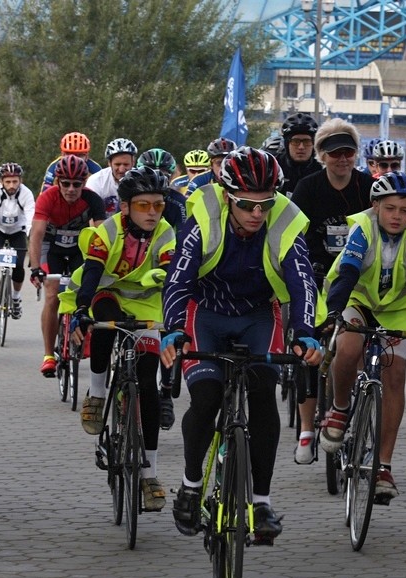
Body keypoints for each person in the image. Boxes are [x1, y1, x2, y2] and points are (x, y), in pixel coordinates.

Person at [161, 147, 323, 541]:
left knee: (264, 392)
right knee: (206, 397)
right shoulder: (203, 214)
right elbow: (179, 278)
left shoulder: (284, 218)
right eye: (247, 204)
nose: (257, 213)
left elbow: (303, 281)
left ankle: (262, 502)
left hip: (257, 314)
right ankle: (191, 484)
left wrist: (305, 331)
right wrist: (173, 329)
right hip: (207, 312)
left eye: (265, 203)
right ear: (227, 194)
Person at [318, 171, 406, 501]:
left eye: (405, 210)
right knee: (348, 347)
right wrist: (334, 313)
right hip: (356, 300)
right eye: (390, 208)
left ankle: (383, 466)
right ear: (376, 206)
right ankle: (339, 407)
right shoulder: (362, 226)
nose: (397, 216)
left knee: (395, 374)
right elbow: (347, 272)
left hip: (399, 310)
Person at [59, 167, 176, 509]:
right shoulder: (106, 232)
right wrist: (82, 309)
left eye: (158, 205)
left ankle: (149, 474)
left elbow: (172, 277)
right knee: (104, 324)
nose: (152, 212)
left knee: (148, 387)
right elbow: (93, 271)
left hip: (148, 308)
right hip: (105, 294)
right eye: (143, 205)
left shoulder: (166, 233)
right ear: (125, 207)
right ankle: (96, 394)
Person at [290, 118, 376, 464]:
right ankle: (307, 429)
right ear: (322, 155)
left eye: (349, 152)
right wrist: (307, 267)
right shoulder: (308, 187)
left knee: (358, 346)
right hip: (315, 274)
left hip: (356, 279)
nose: (342, 159)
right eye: (334, 153)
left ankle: (356, 408)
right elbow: (294, 231)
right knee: (308, 350)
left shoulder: (368, 186)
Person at [29, 154, 107, 376]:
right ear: (57, 182)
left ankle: (84, 334)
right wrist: (35, 268)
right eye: (66, 183)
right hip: (50, 248)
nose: (71, 189)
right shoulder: (47, 198)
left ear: (84, 183)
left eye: (77, 184)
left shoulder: (93, 200)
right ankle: (48, 355)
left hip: (76, 250)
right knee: (53, 296)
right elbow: (36, 234)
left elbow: (103, 235)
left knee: (86, 292)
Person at [135, 148, 187, 429]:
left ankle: (165, 392)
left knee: (167, 331)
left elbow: (187, 240)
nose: (161, 179)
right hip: (133, 274)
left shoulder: (179, 203)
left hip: (167, 268)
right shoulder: (134, 199)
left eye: (166, 175)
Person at [0, 162, 35, 320]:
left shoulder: (26, 194)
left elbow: (30, 215)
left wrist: (31, 237)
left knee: (19, 264)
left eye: (15, 181)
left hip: (18, 231)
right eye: (8, 182)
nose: (12, 185)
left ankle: (16, 298)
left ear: (21, 180)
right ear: (1, 182)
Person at [85, 137, 138, 217]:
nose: (121, 169)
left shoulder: (140, 179)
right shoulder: (96, 181)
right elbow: (90, 216)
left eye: (126, 164)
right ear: (109, 163)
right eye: (117, 164)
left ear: (133, 162)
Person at [276, 112, 320, 196]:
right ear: (287, 144)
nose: (301, 147)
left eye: (307, 141)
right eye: (295, 141)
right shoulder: (274, 167)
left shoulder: (322, 169)